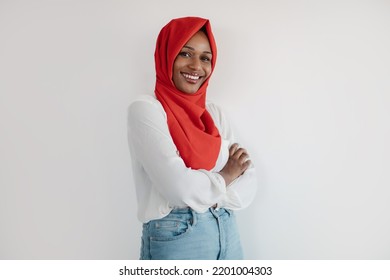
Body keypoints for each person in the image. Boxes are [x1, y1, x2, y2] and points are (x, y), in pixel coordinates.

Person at [127, 16, 257, 260]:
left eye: (205, 58)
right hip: (178, 236)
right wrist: (227, 175)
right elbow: (178, 188)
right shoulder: (146, 110)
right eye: (186, 54)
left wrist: (209, 192)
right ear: (167, 55)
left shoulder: (214, 114)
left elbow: (249, 181)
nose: (197, 66)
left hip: (227, 230)